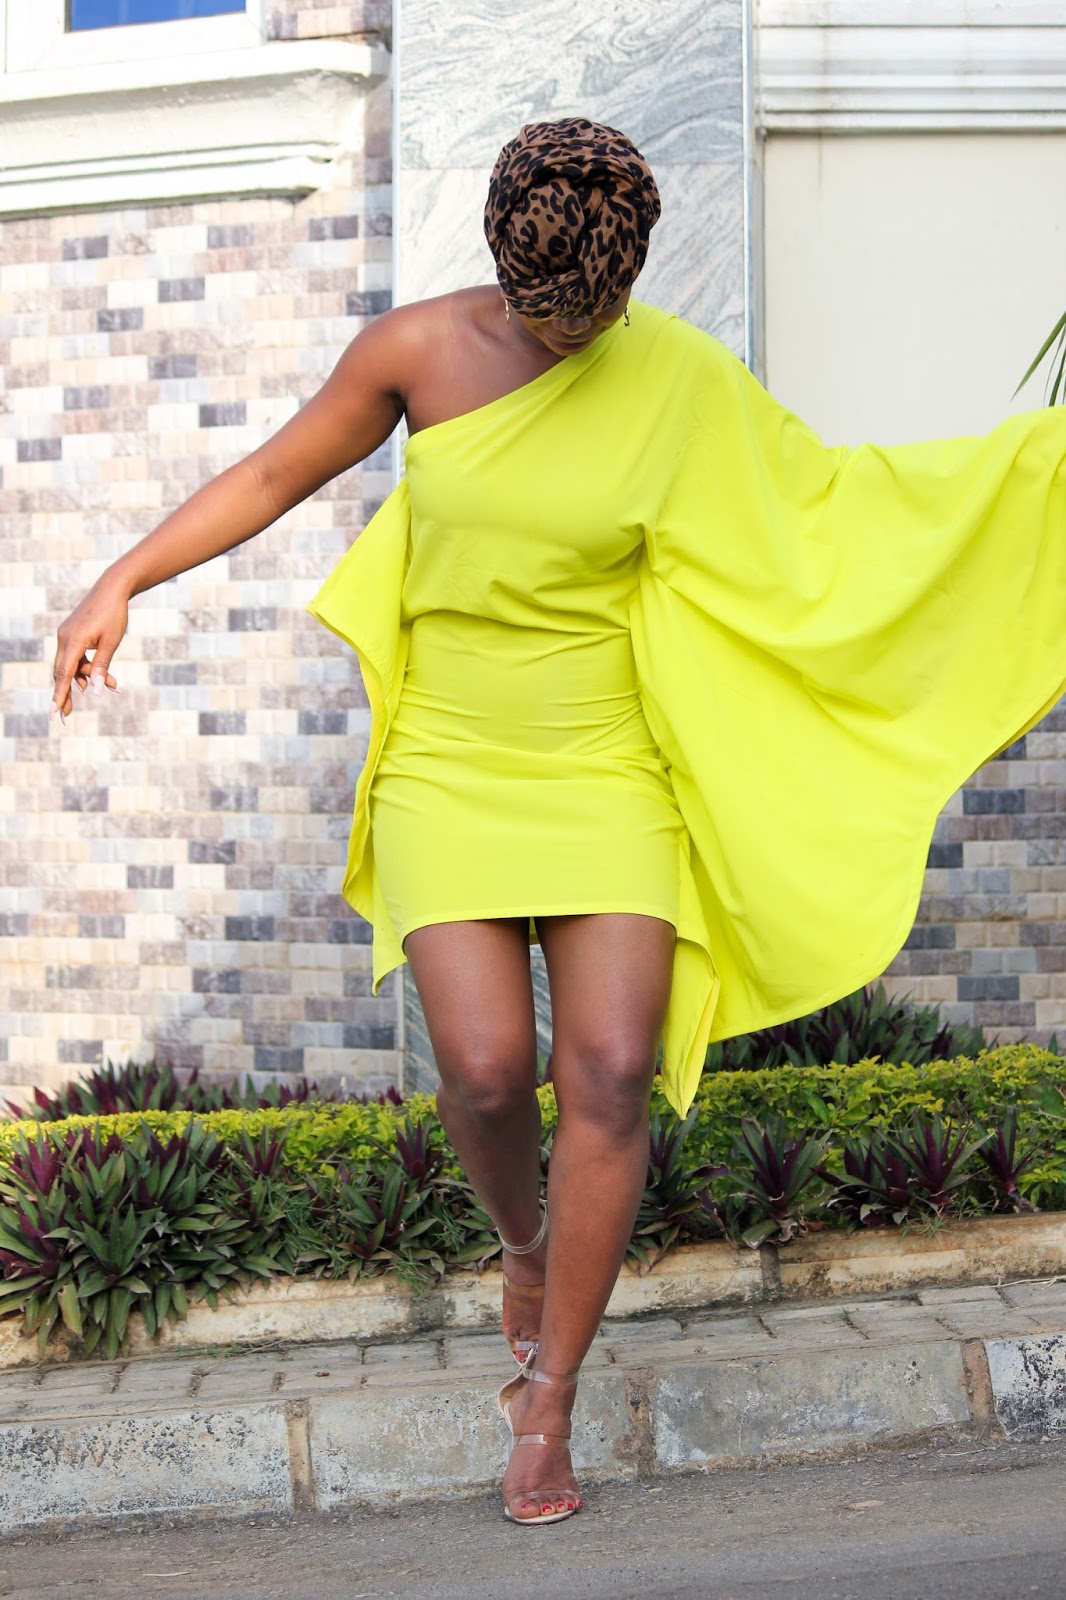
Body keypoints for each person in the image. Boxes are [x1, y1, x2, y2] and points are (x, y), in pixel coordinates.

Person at [51, 116, 1066, 1528]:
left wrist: (1030, 477)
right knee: (481, 1072)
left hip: (608, 759)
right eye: (549, 312)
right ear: (502, 266)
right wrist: (122, 579)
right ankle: (524, 1243)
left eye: (595, 312)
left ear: (628, 276)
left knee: (608, 1067)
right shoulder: (414, 354)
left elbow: (834, 509)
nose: (574, 335)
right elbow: (276, 475)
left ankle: (548, 1400)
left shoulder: (679, 375)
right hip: (450, 757)